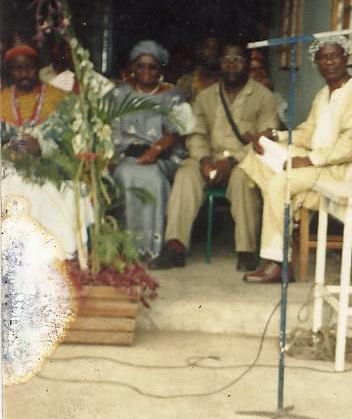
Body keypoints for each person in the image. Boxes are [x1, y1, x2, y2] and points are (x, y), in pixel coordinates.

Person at [240, 35, 352, 284]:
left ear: (346, 58)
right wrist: (276, 135)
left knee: (278, 184)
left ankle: (278, 262)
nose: (329, 63)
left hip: (342, 173)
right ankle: (287, 212)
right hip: (318, 167)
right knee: (257, 152)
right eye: (323, 58)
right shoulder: (323, 94)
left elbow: (350, 147)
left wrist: (309, 160)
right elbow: (307, 133)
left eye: (334, 56)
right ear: (317, 63)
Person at [154, 42, 279, 270]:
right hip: (209, 158)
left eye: (238, 59)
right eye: (226, 60)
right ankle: (175, 247)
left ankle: (246, 251)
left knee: (243, 179)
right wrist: (204, 160)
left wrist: (230, 161)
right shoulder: (205, 97)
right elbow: (196, 134)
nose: (231, 65)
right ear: (218, 63)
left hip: (244, 161)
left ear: (248, 64)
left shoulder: (264, 97)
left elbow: (265, 140)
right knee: (185, 175)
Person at [0, 43, 89, 258]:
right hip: (10, 164)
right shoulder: (2, 100)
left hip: (51, 164)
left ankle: (54, 251)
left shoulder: (59, 98)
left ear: (38, 68)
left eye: (29, 67)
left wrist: (40, 147)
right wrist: (14, 147)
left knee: (50, 188)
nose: (24, 73)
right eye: (18, 69)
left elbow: (69, 141)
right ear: (10, 71)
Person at [111, 40, 194, 259]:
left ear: (160, 69)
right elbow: (109, 129)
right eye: (141, 66)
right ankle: (128, 247)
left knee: (154, 179)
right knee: (125, 175)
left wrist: (154, 151)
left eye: (152, 67)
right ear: (133, 68)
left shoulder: (173, 94)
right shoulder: (120, 93)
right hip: (126, 156)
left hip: (161, 157)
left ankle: (152, 248)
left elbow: (175, 132)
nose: (146, 71)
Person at [176, 33, 220, 103]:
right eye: (207, 46)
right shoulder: (185, 83)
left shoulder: (225, 83)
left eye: (215, 48)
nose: (212, 51)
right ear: (199, 50)